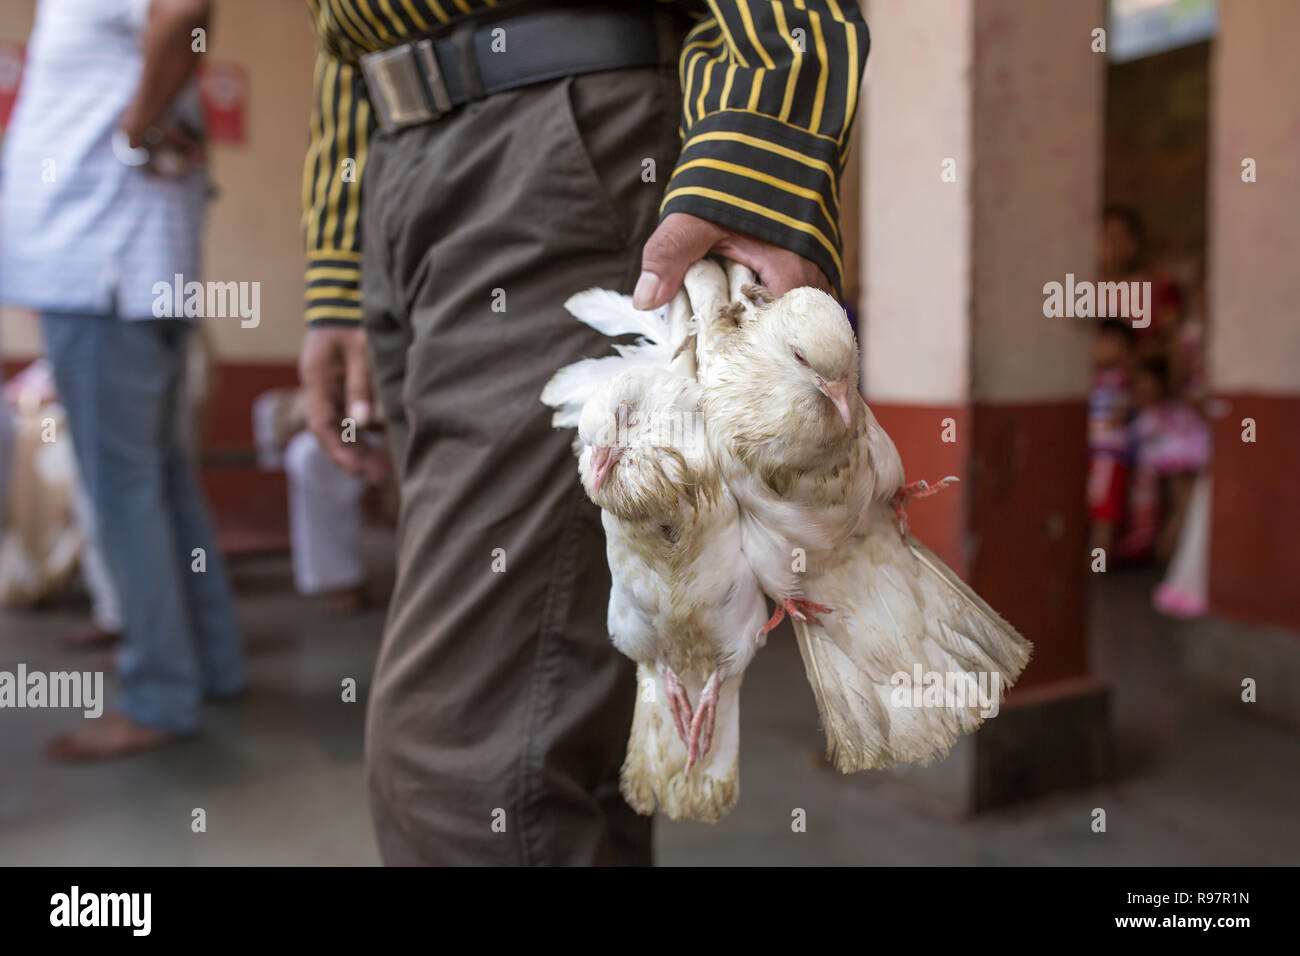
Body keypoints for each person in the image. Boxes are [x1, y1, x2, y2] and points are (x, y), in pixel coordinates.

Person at [297, 0, 869, 864]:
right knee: (566, 736)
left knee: (465, 770)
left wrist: (757, 148)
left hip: (559, 140)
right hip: (398, 163)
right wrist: (342, 261)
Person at [0, 0, 244, 758]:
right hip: (125, 271)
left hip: (102, 275)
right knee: (160, 481)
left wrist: (132, 129)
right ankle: (208, 662)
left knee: (124, 491)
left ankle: (160, 695)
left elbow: (185, 12)